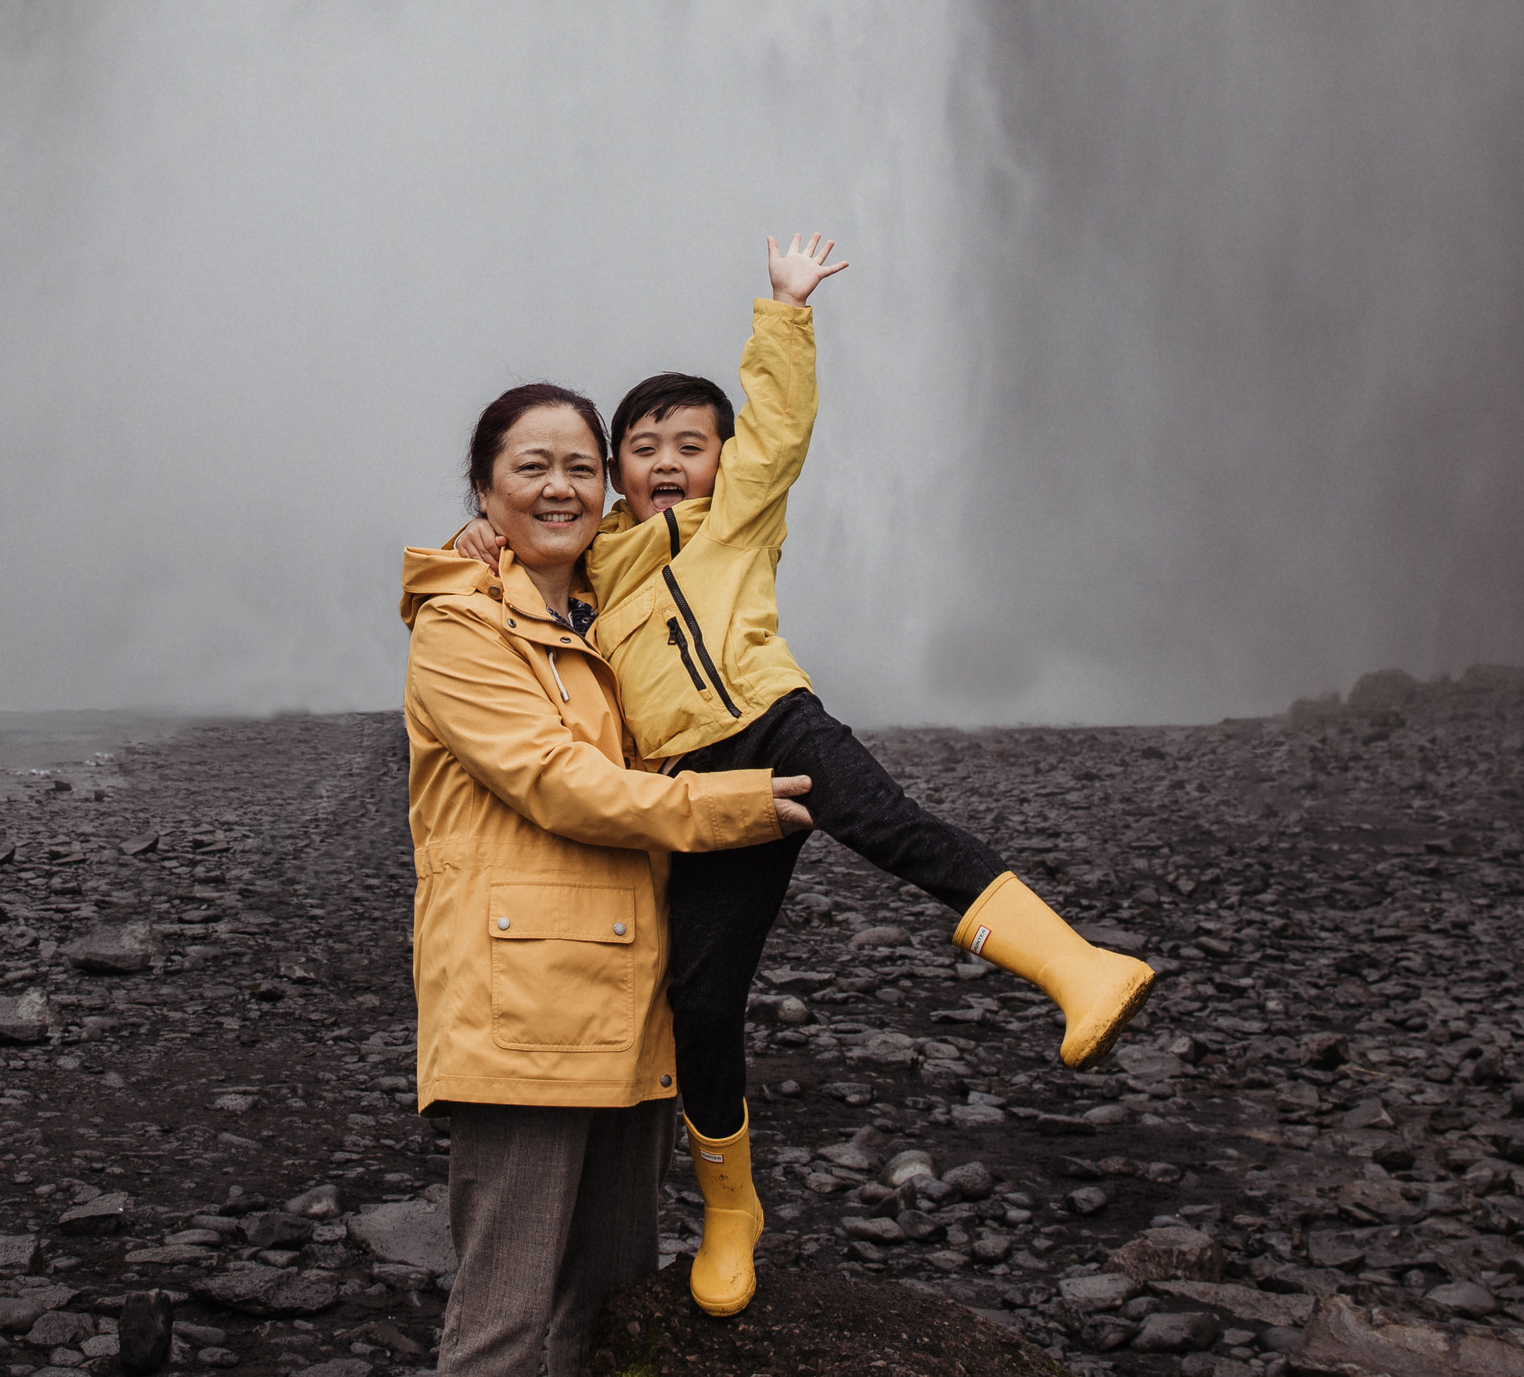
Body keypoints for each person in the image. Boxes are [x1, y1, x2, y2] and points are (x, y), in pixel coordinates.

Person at [451, 236, 1154, 1318]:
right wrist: (476, 542)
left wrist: (784, 312)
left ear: (725, 461)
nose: (668, 461)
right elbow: (524, 551)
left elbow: (779, 425)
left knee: (894, 828)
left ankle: (1077, 968)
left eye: (691, 442)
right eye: (642, 448)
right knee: (700, 994)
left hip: (779, 725)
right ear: (618, 471)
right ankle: (731, 1207)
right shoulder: (597, 566)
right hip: (696, 786)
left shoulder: (742, 516)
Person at [402, 380, 816, 1377]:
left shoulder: (616, 617)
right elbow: (559, 785)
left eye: (580, 469)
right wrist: (732, 809)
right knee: (504, 1323)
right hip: (525, 1018)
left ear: (612, 492)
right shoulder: (461, 630)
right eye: (530, 468)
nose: (559, 488)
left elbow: (732, 515)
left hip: (631, 1011)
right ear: (483, 489)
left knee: (610, 1313)